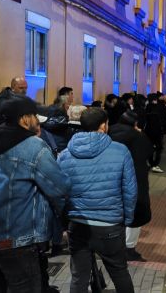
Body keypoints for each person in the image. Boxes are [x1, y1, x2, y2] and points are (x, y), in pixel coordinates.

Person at [0, 96, 71, 293]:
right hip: (20, 240)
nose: (37, 119)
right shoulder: (34, 146)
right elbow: (59, 188)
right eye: (33, 115)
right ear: (23, 119)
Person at [57, 108, 137, 293]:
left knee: (79, 277)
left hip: (77, 224)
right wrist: (127, 219)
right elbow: (130, 191)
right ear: (103, 126)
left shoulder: (65, 155)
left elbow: (60, 191)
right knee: (119, 273)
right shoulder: (120, 151)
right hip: (110, 224)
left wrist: (64, 221)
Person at [108, 111, 152, 262]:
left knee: (115, 212)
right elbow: (148, 153)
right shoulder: (137, 137)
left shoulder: (109, 133)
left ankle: (114, 246)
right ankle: (129, 248)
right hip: (133, 179)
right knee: (135, 214)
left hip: (111, 179)